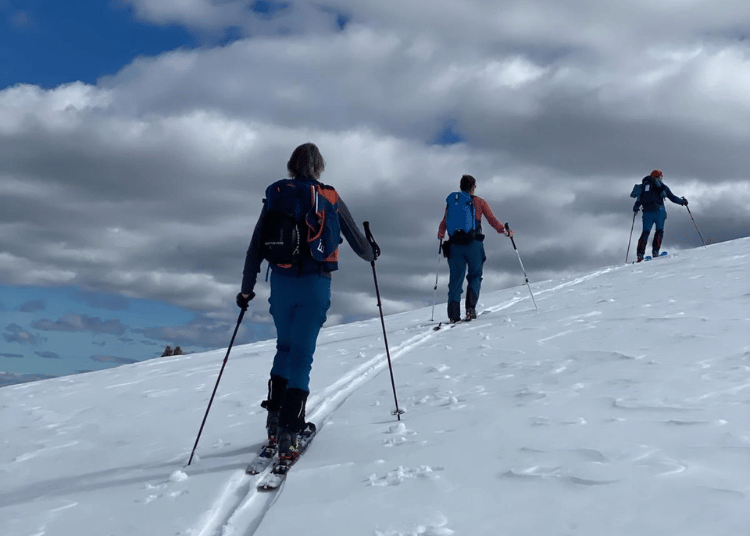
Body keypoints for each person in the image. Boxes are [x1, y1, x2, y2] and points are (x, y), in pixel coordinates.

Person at [237, 142, 376, 459]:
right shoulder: (328, 196)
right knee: (302, 354)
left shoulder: (276, 194)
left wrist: (246, 289)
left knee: (284, 347)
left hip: (282, 284)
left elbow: (256, 245)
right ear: (319, 167)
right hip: (315, 283)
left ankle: (274, 422)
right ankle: (291, 430)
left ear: (290, 165)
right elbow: (357, 241)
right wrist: (372, 253)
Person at [437, 174, 513, 323]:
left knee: (455, 281)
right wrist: (506, 232)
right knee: (475, 276)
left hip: (454, 246)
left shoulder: (452, 203)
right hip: (473, 245)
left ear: (461, 186)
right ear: (473, 187)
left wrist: (441, 236)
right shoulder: (479, 202)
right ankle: (470, 310)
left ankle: (453, 315)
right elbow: (492, 220)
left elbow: (443, 223)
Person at [632, 169, 688, 262]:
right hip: (659, 211)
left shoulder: (643, 187)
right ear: (659, 177)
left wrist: (636, 208)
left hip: (647, 213)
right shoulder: (662, 187)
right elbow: (672, 198)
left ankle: (640, 255)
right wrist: (683, 202)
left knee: (645, 233)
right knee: (659, 231)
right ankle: (655, 252)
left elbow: (638, 200)